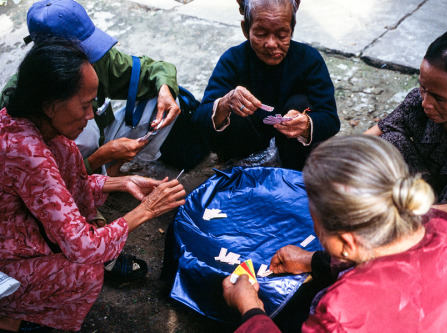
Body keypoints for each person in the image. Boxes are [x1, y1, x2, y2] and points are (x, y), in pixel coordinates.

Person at [222, 135, 447, 332]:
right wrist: (314, 261)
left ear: (346, 242)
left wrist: (250, 310)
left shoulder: (342, 314)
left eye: (316, 225)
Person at [0, 38, 186, 332]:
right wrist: (146, 210)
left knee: (70, 154)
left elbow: (65, 190)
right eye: (85, 105)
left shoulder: (42, 133)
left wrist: (120, 182)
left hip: (18, 235)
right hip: (6, 261)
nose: (90, 116)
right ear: (50, 105)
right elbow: (83, 247)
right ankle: (15, 315)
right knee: (86, 272)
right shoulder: (27, 151)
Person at [0, 0, 180, 177]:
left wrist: (164, 88)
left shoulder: (97, 58)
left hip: (100, 139)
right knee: (86, 135)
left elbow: (150, 70)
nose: (90, 114)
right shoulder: (19, 100)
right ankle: (93, 176)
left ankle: (110, 171)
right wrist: (100, 157)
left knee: (161, 96)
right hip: (60, 167)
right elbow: (34, 174)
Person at [364, 29, 447, 263]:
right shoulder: (420, 102)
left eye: (439, 98)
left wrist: (403, 213)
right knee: (388, 144)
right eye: (423, 87)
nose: (426, 103)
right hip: (429, 203)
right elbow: (366, 141)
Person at [192, 0, 339, 170]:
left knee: (300, 103)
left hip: (295, 156)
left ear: (292, 28)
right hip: (244, 155)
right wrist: (225, 103)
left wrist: (306, 124)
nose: (271, 43)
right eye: (261, 34)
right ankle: (241, 172)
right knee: (231, 108)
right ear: (246, 29)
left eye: (282, 35)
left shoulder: (309, 59)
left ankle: (293, 174)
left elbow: (330, 119)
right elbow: (200, 118)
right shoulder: (233, 60)